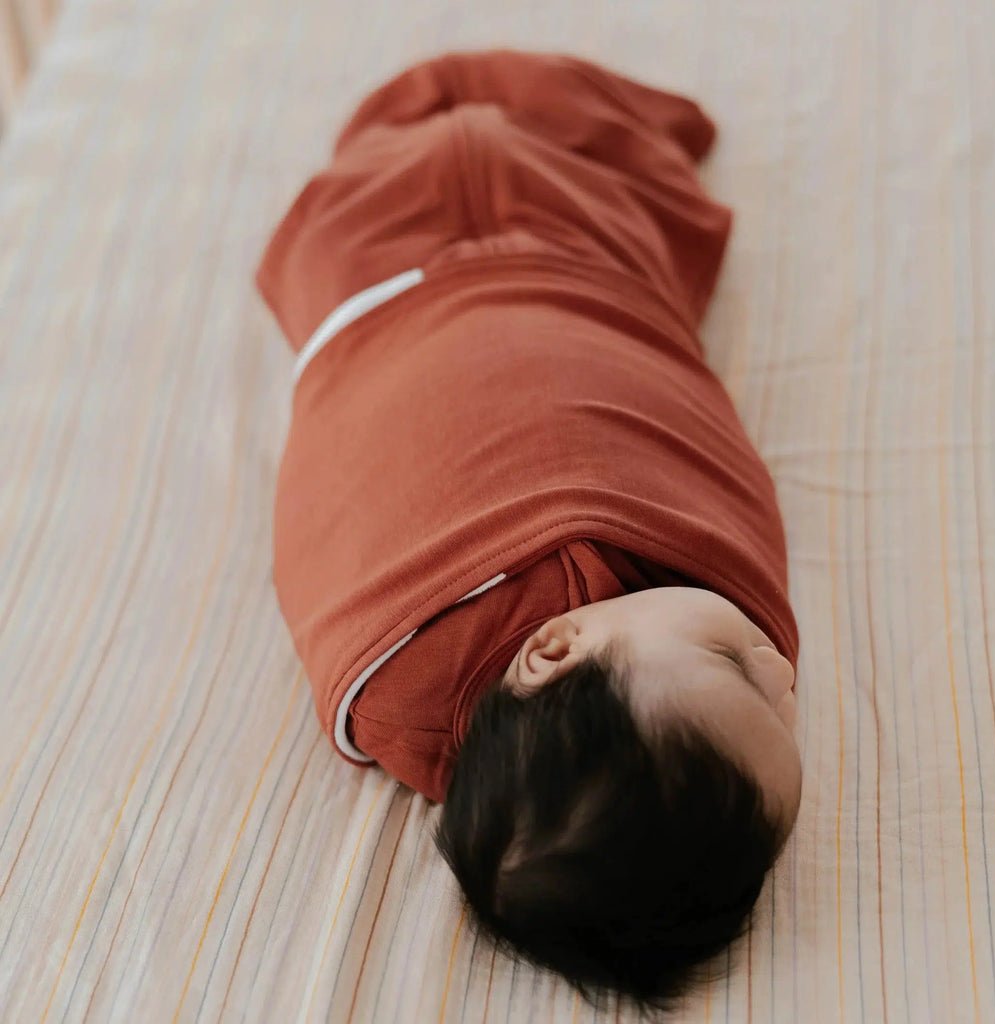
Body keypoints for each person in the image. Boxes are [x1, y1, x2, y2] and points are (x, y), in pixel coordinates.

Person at [256, 48, 802, 1017]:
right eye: (781, 708)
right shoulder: (518, 756)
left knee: (456, 159)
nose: (783, 671)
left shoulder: (401, 688)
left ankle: (471, 108)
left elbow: (332, 531)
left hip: (397, 290)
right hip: (579, 294)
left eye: (735, 661)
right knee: (627, 205)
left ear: (553, 649)